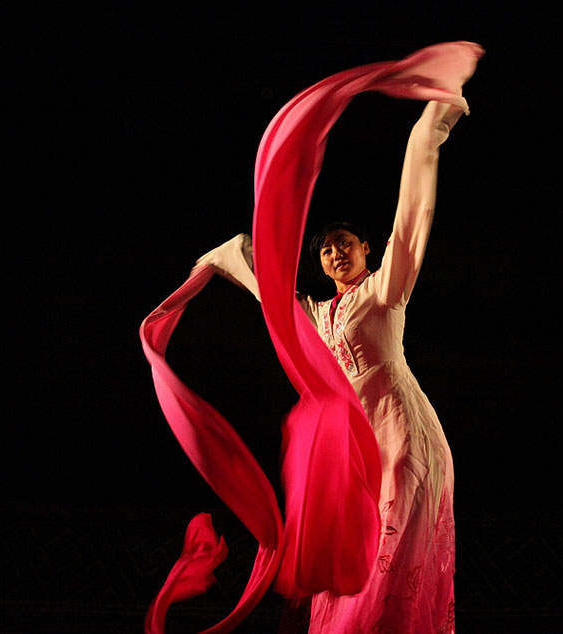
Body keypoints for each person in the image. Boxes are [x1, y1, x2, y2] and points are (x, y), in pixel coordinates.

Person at [193, 100, 463, 633]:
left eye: (345, 244)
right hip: (349, 448)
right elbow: (264, 284)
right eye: (325, 251)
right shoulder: (316, 315)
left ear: (366, 249)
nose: (335, 253)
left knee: (388, 543)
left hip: (400, 431)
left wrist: (426, 133)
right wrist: (221, 259)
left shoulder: (385, 293)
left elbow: (411, 221)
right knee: (344, 553)